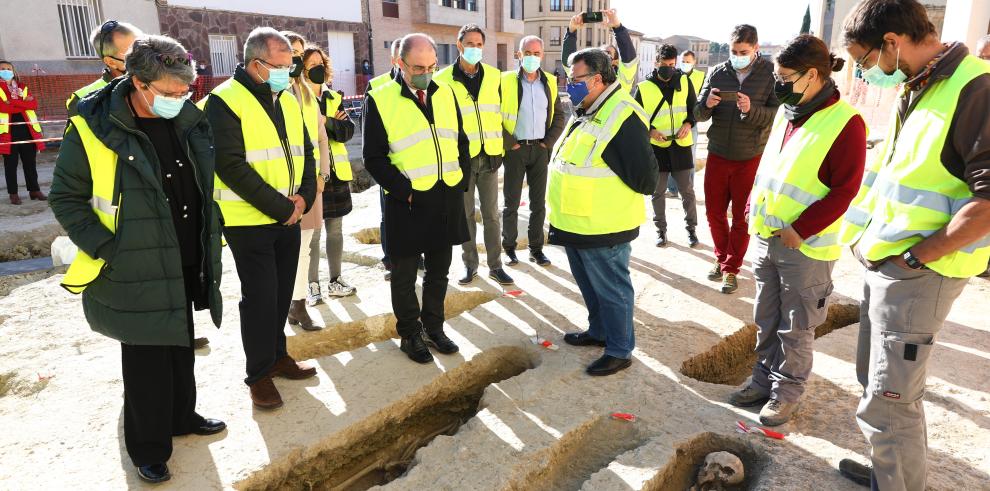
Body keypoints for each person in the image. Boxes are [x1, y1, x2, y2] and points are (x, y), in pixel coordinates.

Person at [49, 35, 226, 484]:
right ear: (137, 82)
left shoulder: (187, 118)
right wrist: (109, 248)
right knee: (146, 359)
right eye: (167, 93)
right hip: (133, 260)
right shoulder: (93, 127)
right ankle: (147, 448)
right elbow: (65, 197)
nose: (177, 99)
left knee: (181, 343)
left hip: (185, 253)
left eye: (184, 91)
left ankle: (182, 417)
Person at [835, 1, 990, 488]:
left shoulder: (974, 87)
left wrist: (914, 256)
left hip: (920, 272)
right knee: (878, 384)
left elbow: (987, 203)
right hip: (891, 265)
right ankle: (891, 473)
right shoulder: (922, 85)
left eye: (865, 61)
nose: (866, 73)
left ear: (892, 42)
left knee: (892, 397)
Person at [728, 35, 866, 427]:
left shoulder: (846, 123)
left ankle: (786, 393)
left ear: (812, 75)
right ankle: (761, 381)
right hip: (768, 238)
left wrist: (801, 229)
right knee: (766, 318)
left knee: (797, 327)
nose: (779, 83)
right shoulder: (788, 113)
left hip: (804, 247)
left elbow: (845, 189)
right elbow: (772, 171)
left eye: (785, 76)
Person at [203, 27, 318, 410]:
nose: (290, 72)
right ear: (257, 64)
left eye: (292, 64)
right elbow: (230, 165)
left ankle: (278, 356)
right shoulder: (224, 101)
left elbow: (305, 151)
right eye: (283, 65)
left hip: (289, 214)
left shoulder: (284, 97)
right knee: (260, 298)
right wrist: (284, 207)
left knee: (282, 292)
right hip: (248, 220)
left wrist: (305, 195)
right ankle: (258, 375)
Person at [363, 33, 470, 364]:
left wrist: (461, 179)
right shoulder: (379, 98)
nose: (426, 72)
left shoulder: (447, 92)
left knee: (439, 272)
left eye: (432, 66)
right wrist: (405, 192)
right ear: (399, 63)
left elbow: (461, 140)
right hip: (407, 202)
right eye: (418, 67)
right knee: (405, 275)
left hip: (445, 196)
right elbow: (373, 157)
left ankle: (433, 328)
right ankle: (410, 334)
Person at [555, 48, 659, 376]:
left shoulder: (622, 114)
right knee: (591, 286)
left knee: (612, 289)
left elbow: (646, 178)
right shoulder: (587, 107)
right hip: (576, 222)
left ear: (597, 80)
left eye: (576, 80)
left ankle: (619, 349)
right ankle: (599, 332)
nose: (569, 86)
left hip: (604, 225)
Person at [695, 24, 780, 294]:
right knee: (713, 213)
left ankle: (731, 269)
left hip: (750, 157)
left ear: (756, 48)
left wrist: (751, 109)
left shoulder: (771, 75)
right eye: (733, 51)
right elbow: (697, 114)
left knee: (742, 218)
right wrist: (706, 105)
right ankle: (722, 260)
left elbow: (778, 115)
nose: (737, 55)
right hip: (718, 153)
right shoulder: (716, 72)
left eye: (743, 51)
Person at [435, 24, 513, 286]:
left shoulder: (494, 76)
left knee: (491, 215)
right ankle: (470, 265)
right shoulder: (443, 79)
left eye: (479, 45)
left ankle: (496, 266)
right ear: (459, 45)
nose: (475, 49)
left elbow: (500, 114)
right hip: (462, 160)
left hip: (490, 155)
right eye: (470, 44)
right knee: (465, 216)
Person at [500, 35, 566, 267]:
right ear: (519, 55)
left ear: (542, 55)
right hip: (515, 150)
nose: (532, 57)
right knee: (511, 203)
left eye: (536, 53)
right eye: (527, 53)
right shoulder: (505, 81)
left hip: (540, 150)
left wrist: (547, 143)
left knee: (538, 204)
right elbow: (493, 115)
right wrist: (510, 143)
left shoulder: (549, 81)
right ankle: (509, 248)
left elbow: (559, 115)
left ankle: (536, 249)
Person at [304, 45, 357, 304]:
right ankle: (312, 285)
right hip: (313, 177)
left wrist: (325, 121)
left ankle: (335, 280)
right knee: (312, 234)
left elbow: (347, 131)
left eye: (320, 64)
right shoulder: (296, 100)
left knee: (335, 231)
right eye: (309, 65)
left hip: (337, 175)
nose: (317, 69)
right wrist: (329, 123)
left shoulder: (334, 97)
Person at [634, 44, 699, 249]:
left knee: (687, 191)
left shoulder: (684, 81)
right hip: (657, 147)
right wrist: (651, 131)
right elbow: (637, 119)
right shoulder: (644, 88)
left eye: (672, 64)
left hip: (681, 145)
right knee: (658, 192)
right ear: (656, 62)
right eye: (665, 64)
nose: (669, 68)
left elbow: (694, 111)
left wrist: (688, 124)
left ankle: (691, 230)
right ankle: (660, 231)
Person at [369, 37, 403, 280]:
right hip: (388, 164)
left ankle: (416, 256)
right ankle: (390, 258)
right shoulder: (377, 85)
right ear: (394, 60)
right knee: (387, 214)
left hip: (413, 162)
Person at [66, 20, 140, 118]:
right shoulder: (82, 100)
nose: (142, 56)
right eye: (132, 53)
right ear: (111, 62)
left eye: (143, 47)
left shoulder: (157, 85)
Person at [1, 61, 46, 204]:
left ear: (14, 71)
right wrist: (22, 103)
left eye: (9, 69)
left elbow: (33, 105)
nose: (6, 71)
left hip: (27, 130)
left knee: (30, 163)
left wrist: (11, 103)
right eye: (2, 69)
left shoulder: (22, 87)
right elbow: (2, 107)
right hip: (8, 132)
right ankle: (13, 194)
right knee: (10, 164)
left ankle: (34, 190)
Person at [563, 9, 639, 92]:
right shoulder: (586, 76)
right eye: (600, 52)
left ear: (616, 62)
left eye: (608, 53)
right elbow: (569, 62)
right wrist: (571, 30)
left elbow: (629, 60)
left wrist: (617, 27)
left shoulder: (621, 80)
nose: (603, 55)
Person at [666, 49, 705, 198]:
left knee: (689, 156)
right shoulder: (673, 75)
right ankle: (672, 189)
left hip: (691, 122)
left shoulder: (701, 77)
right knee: (671, 156)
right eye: (683, 61)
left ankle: (687, 190)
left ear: (694, 62)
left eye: (688, 61)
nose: (685, 64)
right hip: (673, 121)